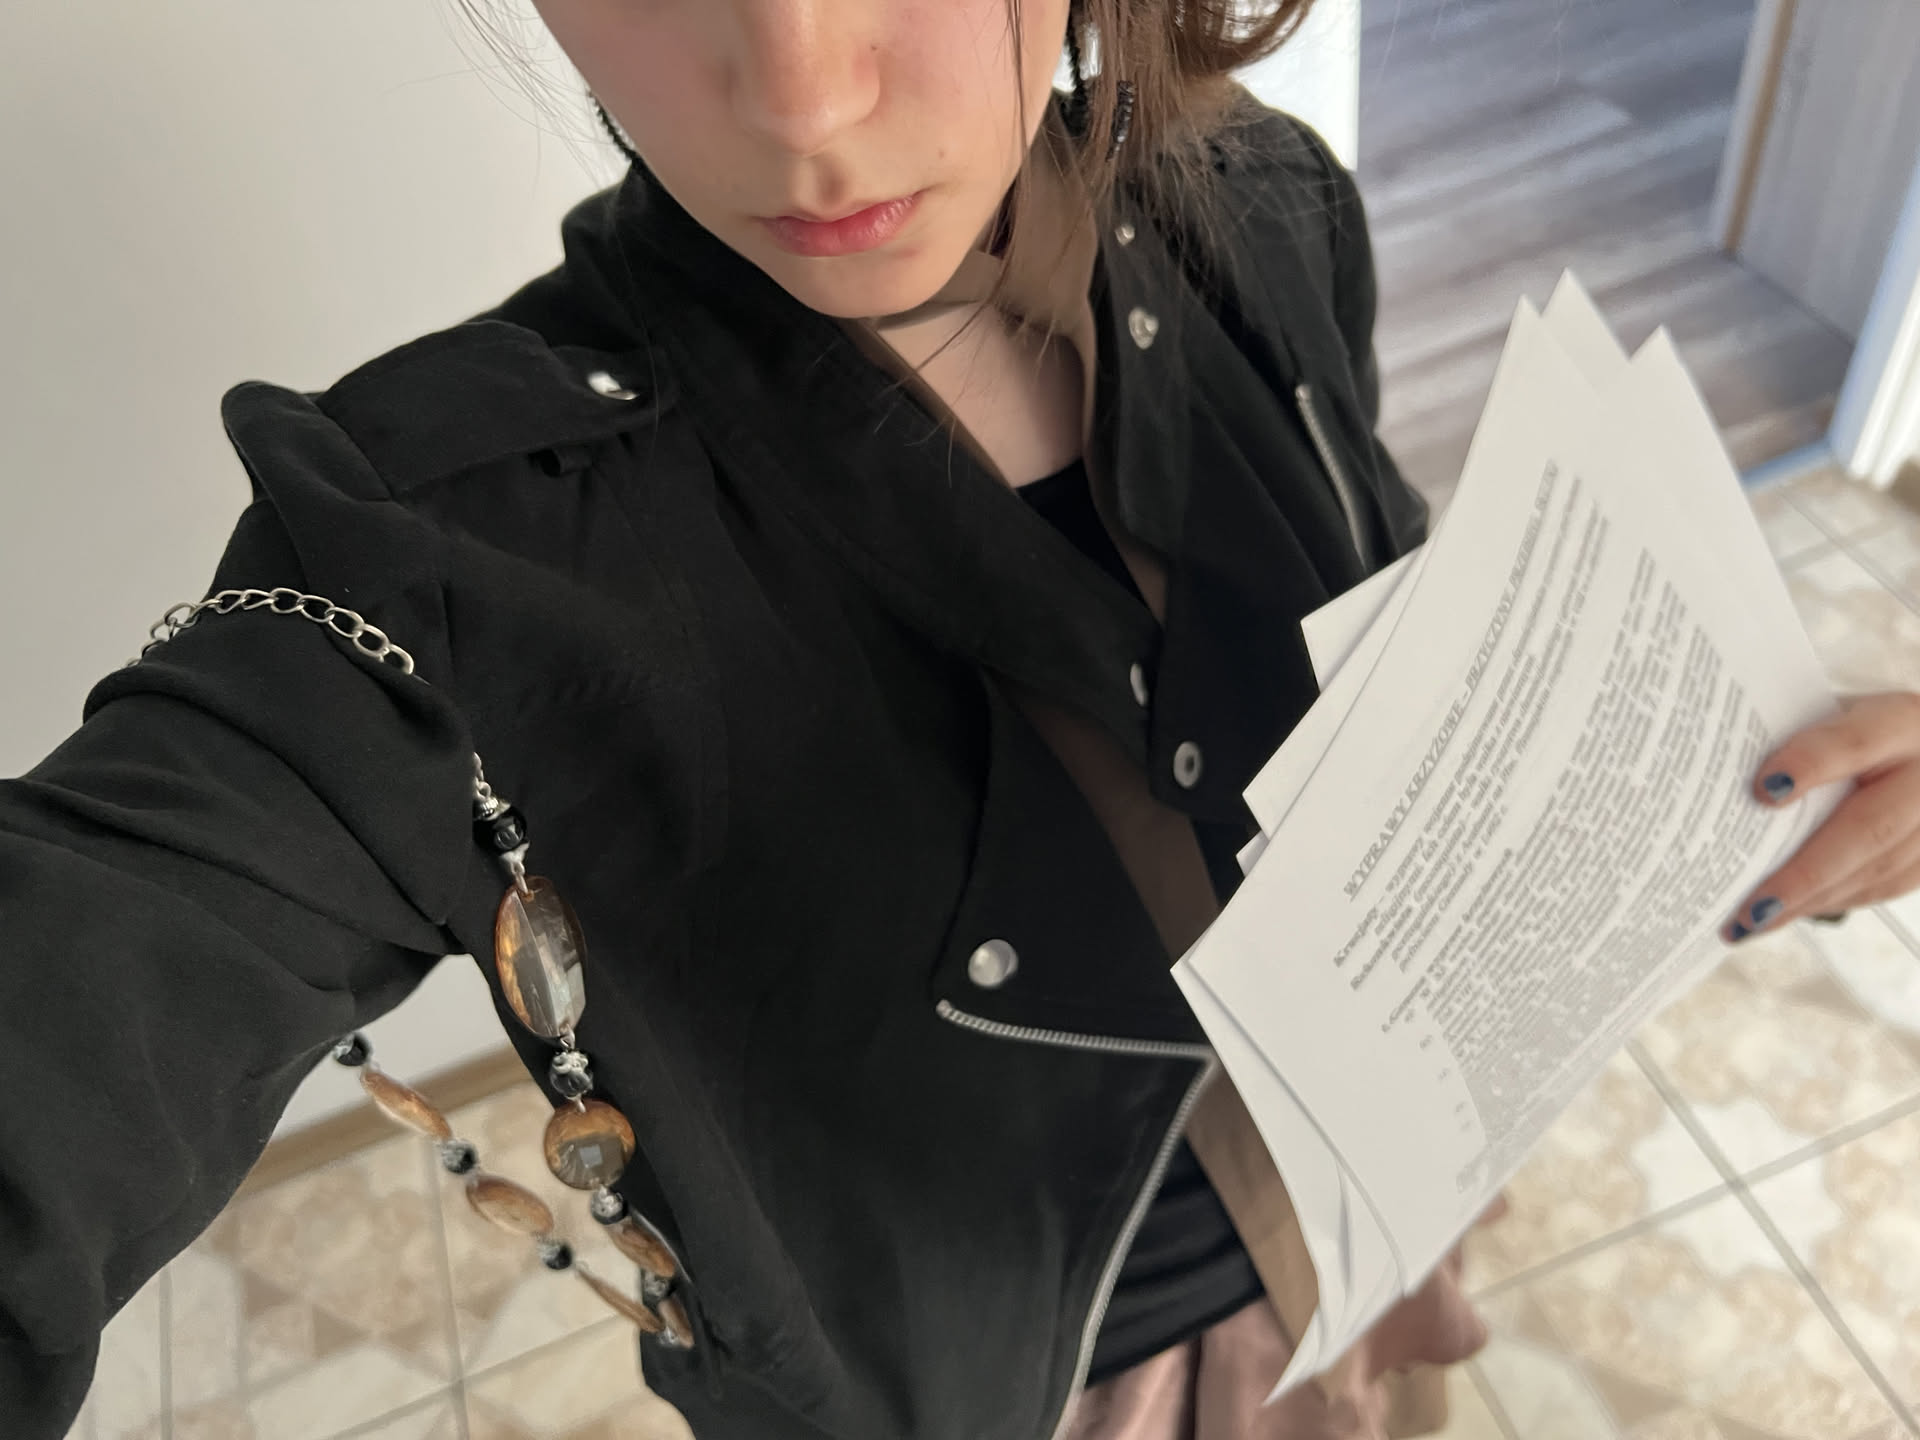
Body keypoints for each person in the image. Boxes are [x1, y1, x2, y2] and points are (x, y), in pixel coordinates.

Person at [7, 1, 1920, 1436]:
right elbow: (107, 964)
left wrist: (1733, 781)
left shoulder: (1260, 208)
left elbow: (1403, 672)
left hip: (1360, 1228)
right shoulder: (441, 553)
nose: (807, 98)